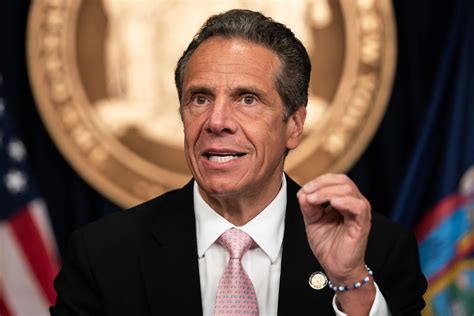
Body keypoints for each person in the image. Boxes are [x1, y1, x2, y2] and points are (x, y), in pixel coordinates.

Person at [50, 9, 427, 316]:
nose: (217, 122)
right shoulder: (103, 255)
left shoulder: (377, 251)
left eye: (247, 99)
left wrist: (349, 283)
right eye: (200, 98)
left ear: (293, 126)